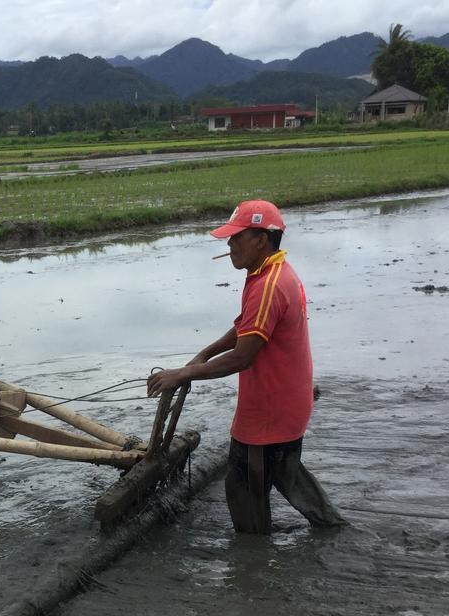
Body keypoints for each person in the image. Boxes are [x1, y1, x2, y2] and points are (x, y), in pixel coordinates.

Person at [146, 199, 346, 534]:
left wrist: (183, 373)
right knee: (287, 472)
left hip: (268, 415)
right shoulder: (274, 273)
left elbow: (243, 356)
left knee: (243, 489)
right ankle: (336, 530)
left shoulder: (267, 286)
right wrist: (204, 354)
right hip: (289, 405)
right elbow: (246, 326)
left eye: (237, 237)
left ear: (261, 239)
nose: (230, 244)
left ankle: (253, 568)